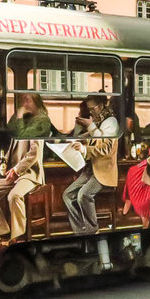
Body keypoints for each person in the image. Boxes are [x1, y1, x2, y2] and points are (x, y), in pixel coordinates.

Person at [0, 93, 53, 253]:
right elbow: (12, 147)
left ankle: (17, 239)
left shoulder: (41, 121)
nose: (23, 104)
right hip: (15, 173)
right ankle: (4, 234)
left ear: (34, 101)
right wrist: (4, 160)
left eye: (26, 100)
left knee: (14, 196)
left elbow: (34, 154)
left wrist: (16, 170)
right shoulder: (23, 120)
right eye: (22, 101)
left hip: (30, 175)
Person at [63, 95, 120, 235]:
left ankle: (92, 229)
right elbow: (86, 135)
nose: (91, 112)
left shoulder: (111, 122)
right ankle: (80, 230)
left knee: (84, 194)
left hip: (104, 171)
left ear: (100, 106)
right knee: (67, 195)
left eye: (92, 108)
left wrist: (84, 148)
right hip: (91, 170)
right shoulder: (97, 122)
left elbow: (105, 148)